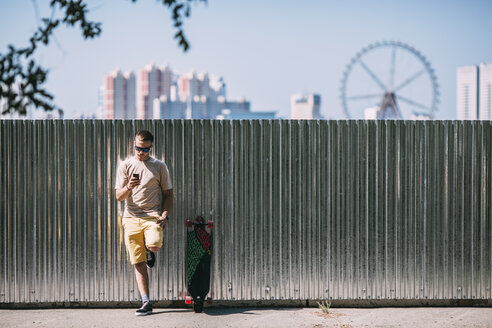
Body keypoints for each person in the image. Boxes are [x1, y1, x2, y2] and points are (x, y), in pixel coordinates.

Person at [115, 130, 173, 316]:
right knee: (138, 262)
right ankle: (146, 301)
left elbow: (168, 195)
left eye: (145, 149)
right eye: (138, 148)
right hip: (131, 217)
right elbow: (118, 197)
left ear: (151, 147)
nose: (141, 152)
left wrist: (164, 215)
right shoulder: (126, 165)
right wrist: (129, 187)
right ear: (134, 145)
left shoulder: (159, 167)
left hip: (152, 217)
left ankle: (150, 249)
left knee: (154, 245)